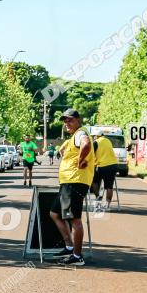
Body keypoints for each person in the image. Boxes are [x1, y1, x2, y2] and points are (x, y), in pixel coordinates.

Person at [50, 109, 95, 266]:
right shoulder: (74, 137)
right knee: (54, 213)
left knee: (75, 219)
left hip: (74, 181)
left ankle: (77, 256)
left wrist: (81, 159)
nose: (66, 123)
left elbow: (86, 144)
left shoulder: (80, 134)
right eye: (65, 121)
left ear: (78, 120)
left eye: (70, 120)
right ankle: (69, 246)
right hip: (68, 182)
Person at [91, 130, 119, 205]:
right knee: (109, 186)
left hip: (102, 166)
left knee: (94, 181)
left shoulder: (96, 142)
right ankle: (107, 204)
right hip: (113, 165)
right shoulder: (108, 141)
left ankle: (98, 196)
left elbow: (91, 155)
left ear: (96, 136)